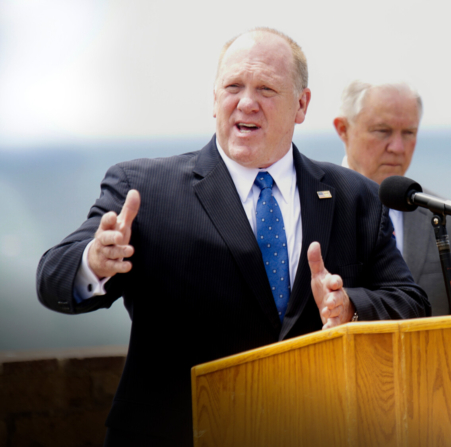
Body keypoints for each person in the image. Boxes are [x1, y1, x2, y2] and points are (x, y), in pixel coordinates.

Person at [36, 28, 429, 447]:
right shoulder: (145, 189)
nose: (246, 102)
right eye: (233, 86)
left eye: (266, 89)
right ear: (214, 98)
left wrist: (349, 306)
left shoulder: (355, 197)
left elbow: (411, 303)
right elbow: (53, 278)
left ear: (301, 104)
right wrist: (93, 263)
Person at [333, 80, 451, 315]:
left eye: (409, 133)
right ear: (343, 129)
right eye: (383, 131)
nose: (398, 147)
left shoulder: (449, 221)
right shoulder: (314, 208)